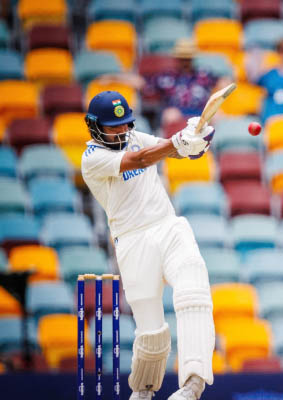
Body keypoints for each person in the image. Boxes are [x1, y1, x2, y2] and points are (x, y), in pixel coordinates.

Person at [81, 90, 216, 400]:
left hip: (166, 225)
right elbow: (140, 159)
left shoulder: (133, 136)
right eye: (113, 127)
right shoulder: (92, 159)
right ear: (94, 127)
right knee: (151, 332)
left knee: (193, 288)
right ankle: (143, 392)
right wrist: (176, 143)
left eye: (126, 124)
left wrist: (194, 138)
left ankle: (192, 385)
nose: (122, 132)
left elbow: (173, 150)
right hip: (131, 241)